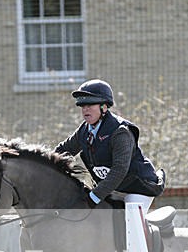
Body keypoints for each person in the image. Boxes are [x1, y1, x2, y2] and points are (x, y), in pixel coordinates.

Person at [55, 79, 164, 213]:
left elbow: (119, 170)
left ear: (104, 107)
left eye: (90, 105)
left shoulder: (121, 132)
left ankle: (143, 233)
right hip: (114, 187)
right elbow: (63, 151)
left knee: (131, 220)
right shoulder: (84, 130)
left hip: (138, 187)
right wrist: (42, 162)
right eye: (82, 105)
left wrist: (94, 196)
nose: (85, 109)